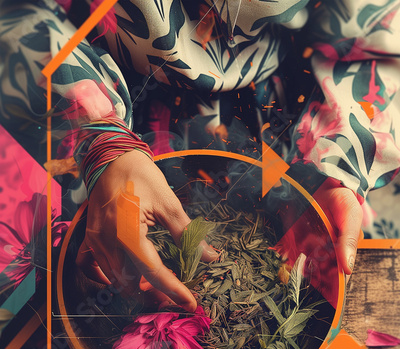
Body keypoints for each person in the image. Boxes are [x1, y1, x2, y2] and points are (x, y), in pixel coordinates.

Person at [0, 0, 399, 312]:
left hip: (283, 136)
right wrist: (100, 135)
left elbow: (381, 37)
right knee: (62, 302)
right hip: (96, 129)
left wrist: (340, 162)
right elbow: (14, 14)